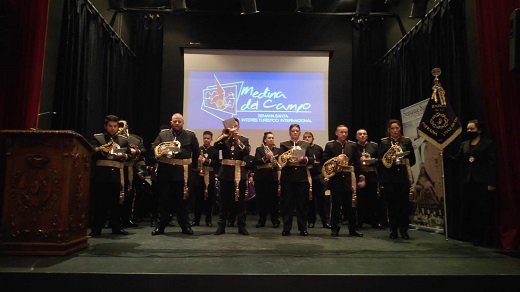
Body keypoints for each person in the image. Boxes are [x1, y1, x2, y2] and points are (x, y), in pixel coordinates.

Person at [150, 113, 199, 236]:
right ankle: (160, 227)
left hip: (183, 173)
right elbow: (153, 148)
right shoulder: (163, 134)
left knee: (182, 201)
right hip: (165, 172)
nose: (177, 123)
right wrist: (164, 150)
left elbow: (196, 152)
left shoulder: (190, 135)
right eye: (175, 121)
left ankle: (185, 226)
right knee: (164, 201)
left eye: (179, 121)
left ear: (183, 123)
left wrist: (193, 169)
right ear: (171, 122)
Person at [454, 119, 497, 246]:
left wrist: (492, 182)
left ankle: (486, 238)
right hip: (469, 182)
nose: (469, 131)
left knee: (484, 210)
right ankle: (475, 237)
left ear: (479, 130)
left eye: (472, 129)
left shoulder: (488, 144)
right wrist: (443, 155)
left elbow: (492, 164)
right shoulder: (465, 144)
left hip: (483, 182)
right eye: (467, 129)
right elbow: (458, 159)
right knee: (471, 210)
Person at [89, 114, 133, 237]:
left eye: (115, 126)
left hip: (117, 175)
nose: (113, 128)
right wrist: (103, 151)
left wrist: (123, 156)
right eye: (110, 126)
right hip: (102, 175)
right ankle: (96, 228)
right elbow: (91, 152)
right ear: (105, 126)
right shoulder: (98, 139)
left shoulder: (123, 140)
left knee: (116, 203)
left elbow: (130, 156)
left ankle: (116, 227)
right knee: (100, 203)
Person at [322, 125, 364, 237]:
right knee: (335, 207)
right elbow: (325, 162)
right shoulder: (330, 145)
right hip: (335, 179)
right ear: (336, 133)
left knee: (351, 206)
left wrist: (361, 177)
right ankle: (335, 229)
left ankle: (353, 229)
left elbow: (357, 162)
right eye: (341, 132)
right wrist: (336, 159)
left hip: (349, 180)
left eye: (346, 132)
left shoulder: (352, 145)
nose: (344, 134)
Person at [377, 119, 416, 240]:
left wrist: (403, 159)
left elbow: (413, 160)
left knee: (404, 205)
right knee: (392, 205)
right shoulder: (384, 142)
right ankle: (393, 230)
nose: (395, 130)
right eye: (392, 128)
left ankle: (404, 230)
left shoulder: (406, 141)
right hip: (389, 178)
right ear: (389, 130)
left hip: (402, 178)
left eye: (397, 128)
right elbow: (379, 161)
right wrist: (390, 160)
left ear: (400, 129)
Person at [213, 118, 250, 236]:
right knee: (224, 201)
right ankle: (221, 226)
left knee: (240, 202)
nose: (234, 128)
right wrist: (225, 136)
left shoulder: (244, 139)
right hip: (226, 174)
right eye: (232, 126)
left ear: (239, 127)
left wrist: (238, 141)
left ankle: (241, 226)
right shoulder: (224, 139)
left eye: (236, 125)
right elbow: (215, 146)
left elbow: (246, 152)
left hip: (240, 173)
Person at [278, 124, 314, 236]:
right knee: (287, 204)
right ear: (289, 132)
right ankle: (286, 228)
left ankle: (303, 228)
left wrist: (304, 159)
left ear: (299, 132)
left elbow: (312, 159)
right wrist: (288, 155)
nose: (295, 132)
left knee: (302, 204)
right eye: (293, 131)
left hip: (301, 177)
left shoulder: (306, 144)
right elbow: (280, 160)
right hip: (288, 177)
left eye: (297, 131)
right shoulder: (284, 144)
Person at [354, 129, 386, 229]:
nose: (362, 136)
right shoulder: (353, 147)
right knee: (360, 199)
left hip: (371, 174)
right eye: (360, 134)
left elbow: (380, 159)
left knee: (373, 199)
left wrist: (372, 161)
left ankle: (374, 221)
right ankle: (359, 222)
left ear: (367, 136)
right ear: (356, 137)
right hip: (359, 175)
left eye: (364, 134)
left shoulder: (374, 146)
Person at [117, 119, 146, 228]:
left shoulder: (135, 138)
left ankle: (127, 218)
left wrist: (137, 151)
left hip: (130, 169)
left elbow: (143, 151)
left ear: (127, 126)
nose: (120, 127)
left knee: (130, 194)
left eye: (122, 124)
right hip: (116, 168)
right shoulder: (113, 138)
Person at [190, 130, 220, 227]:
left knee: (210, 198)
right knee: (197, 198)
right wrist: (198, 161)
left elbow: (216, 163)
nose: (206, 140)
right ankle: (196, 220)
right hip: (199, 175)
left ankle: (208, 220)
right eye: (204, 138)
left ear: (211, 139)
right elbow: (193, 162)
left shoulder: (214, 150)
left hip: (209, 174)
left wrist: (206, 160)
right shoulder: (198, 149)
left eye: (208, 138)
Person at [302, 131, 331, 229]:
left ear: (313, 138)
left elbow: (323, 162)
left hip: (318, 176)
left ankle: (325, 221)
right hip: (307, 176)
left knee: (322, 200)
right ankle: (311, 221)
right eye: (305, 137)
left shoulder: (318, 148)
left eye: (309, 137)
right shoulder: (302, 149)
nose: (307, 139)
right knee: (310, 200)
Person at [253, 131, 281, 228]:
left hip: (273, 177)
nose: (271, 139)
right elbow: (257, 162)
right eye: (269, 138)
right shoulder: (259, 149)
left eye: (272, 138)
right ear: (265, 140)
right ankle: (262, 220)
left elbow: (280, 162)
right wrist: (266, 157)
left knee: (273, 200)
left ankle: (275, 220)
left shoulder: (278, 150)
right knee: (262, 200)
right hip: (261, 178)